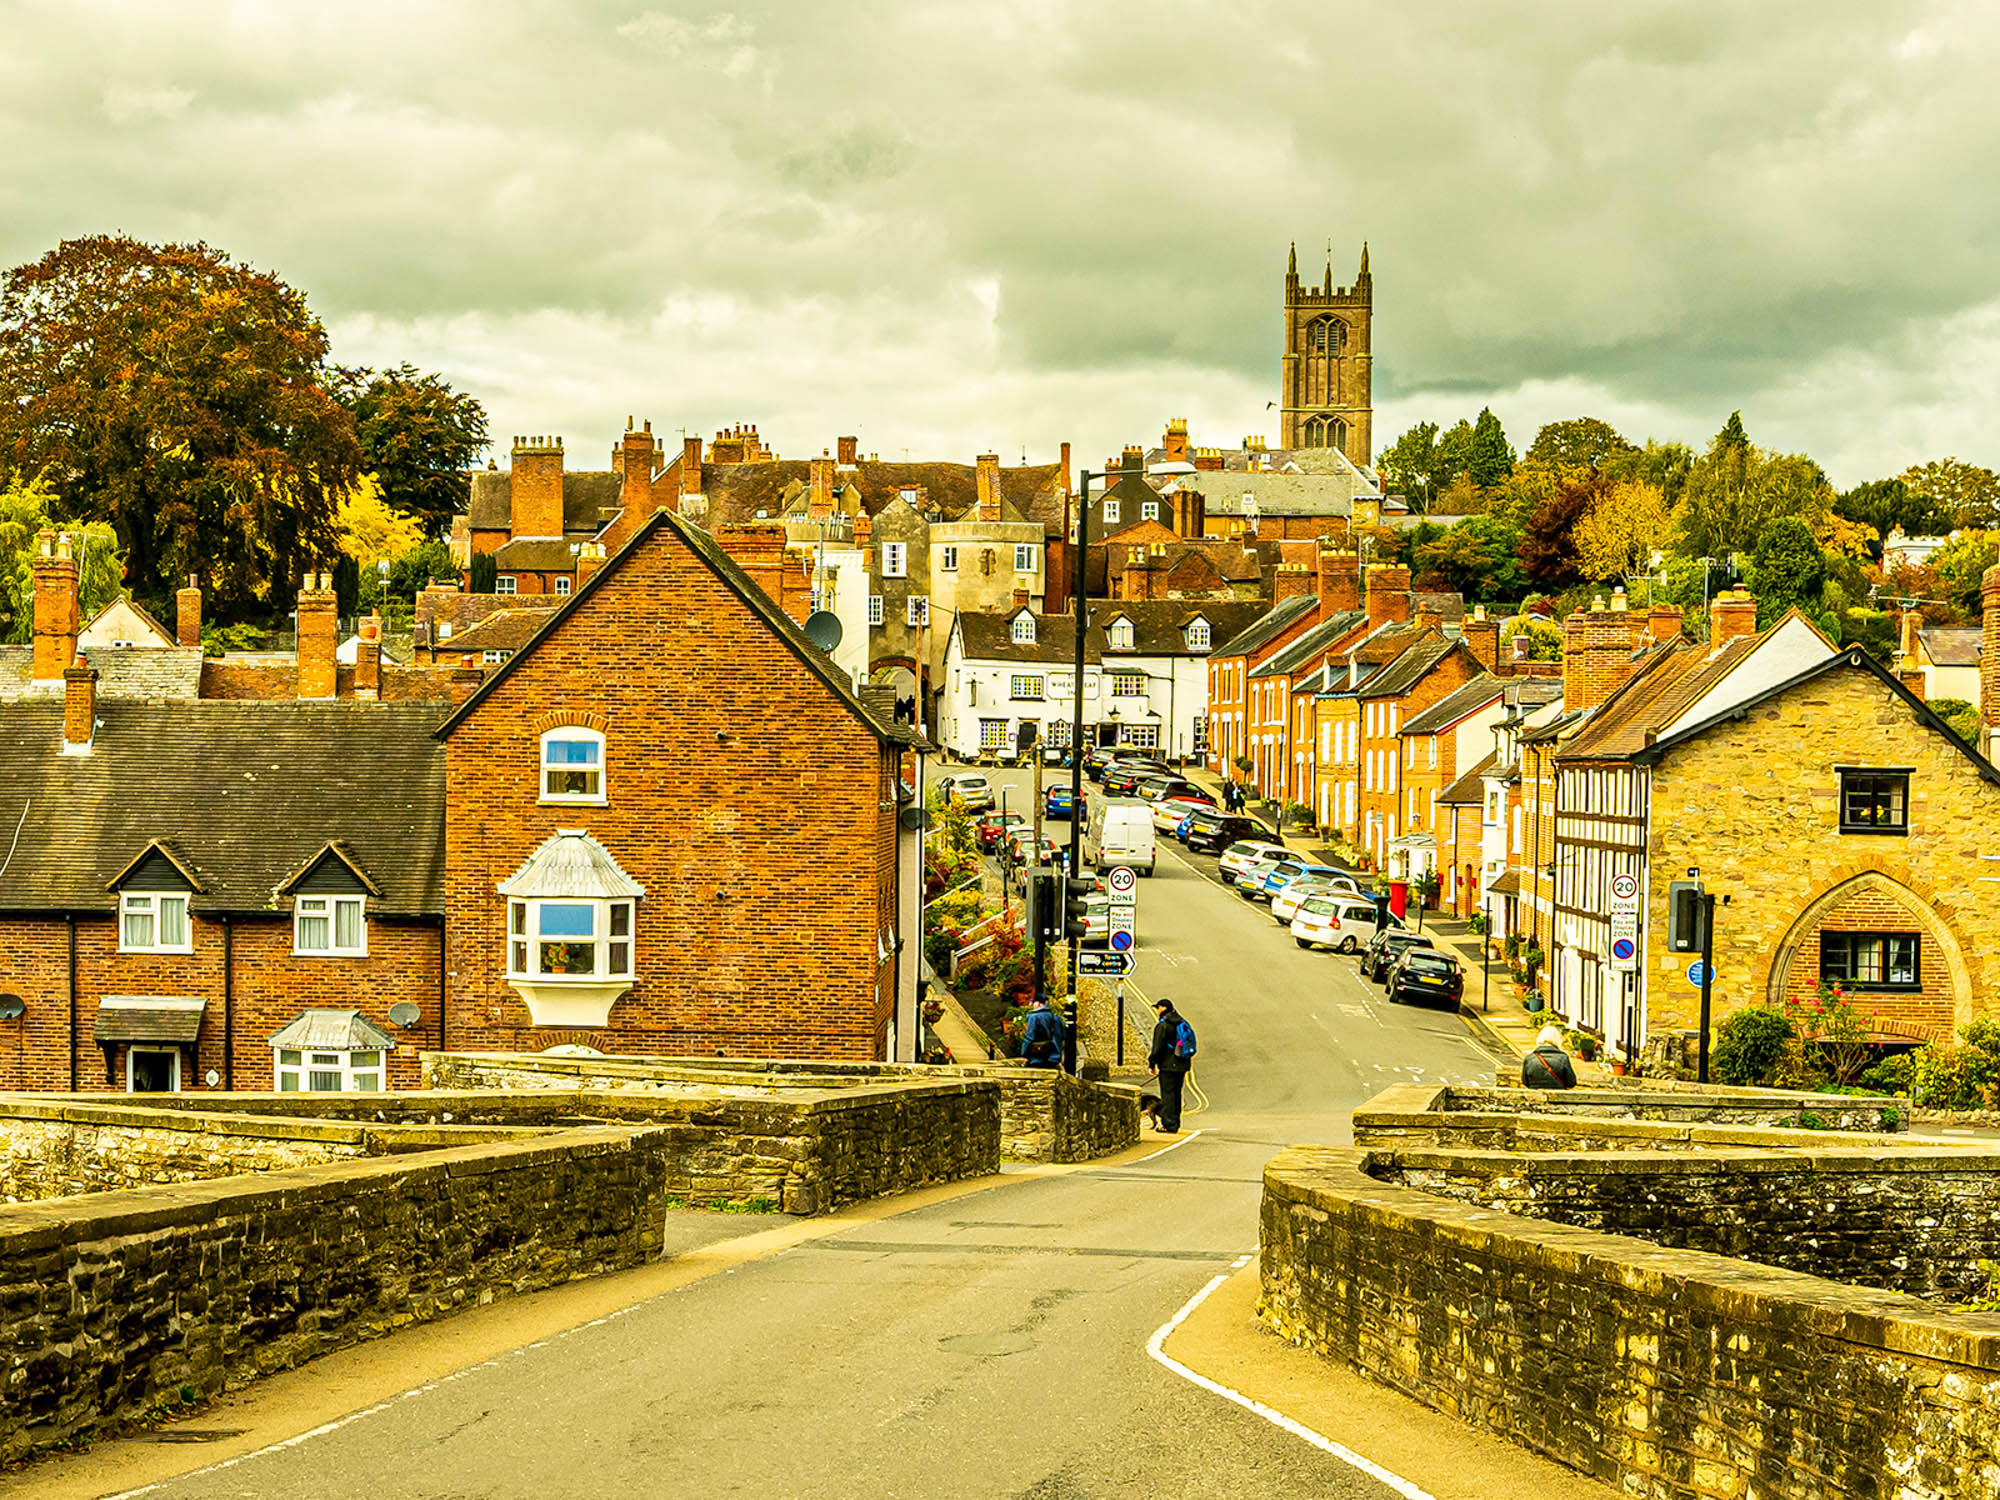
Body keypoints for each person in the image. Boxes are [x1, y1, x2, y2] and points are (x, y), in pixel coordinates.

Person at [1147, 997, 1196, 1131]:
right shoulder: (1182, 1022)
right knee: (1176, 1094)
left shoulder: (1163, 1025)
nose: (1157, 1010)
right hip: (1182, 1064)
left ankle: (1169, 1125)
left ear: (1163, 1008)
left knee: (1167, 1094)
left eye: (1157, 1008)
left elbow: (1157, 1048)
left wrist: (1152, 1064)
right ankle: (1175, 1122)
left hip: (1168, 1065)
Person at [1522, 1024, 1577, 1090]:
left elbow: (1525, 1081)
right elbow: (1571, 1083)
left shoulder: (1529, 1059)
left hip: (1535, 1097)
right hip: (1558, 1097)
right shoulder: (1563, 1058)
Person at [1021, 997, 1062, 1069]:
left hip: (1036, 1057)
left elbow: (1029, 1037)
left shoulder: (1033, 1017)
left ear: (1038, 1003)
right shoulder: (1056, 1018)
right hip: (1053, 1058)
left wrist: (1024, 1054)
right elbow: (1061, 1036)